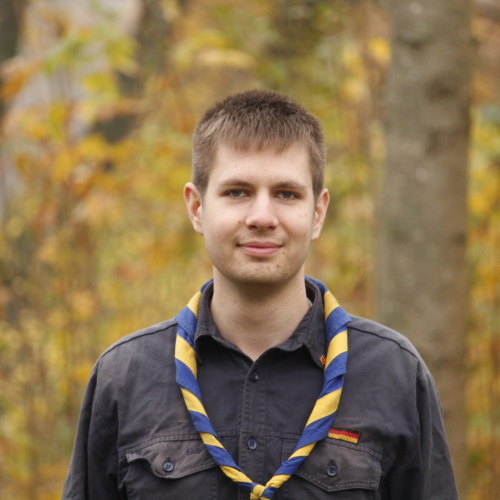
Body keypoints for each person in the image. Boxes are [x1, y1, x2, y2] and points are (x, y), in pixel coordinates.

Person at [62, 90, 459, 500]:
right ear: (197, 208)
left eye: (287, 194)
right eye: (237, 192)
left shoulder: (394, 375)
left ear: (318, 213)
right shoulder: (124, 378)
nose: (262, 217)